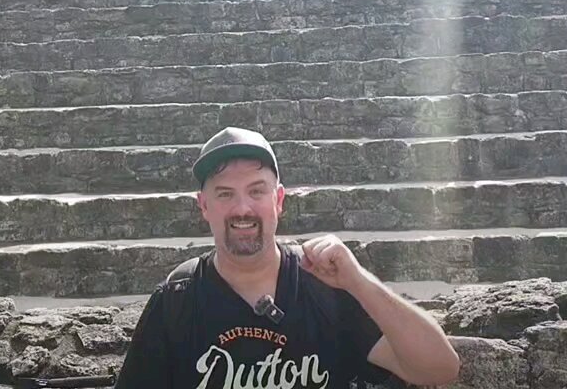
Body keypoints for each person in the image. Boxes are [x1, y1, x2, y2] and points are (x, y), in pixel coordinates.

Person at [114, 126, 461, 389]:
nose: (242, 208)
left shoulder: (327, 287)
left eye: (256, 191)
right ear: (204, 206)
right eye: (225, 194)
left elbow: (440, 369)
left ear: (279, 200)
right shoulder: (177, 300)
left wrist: (358, 281)